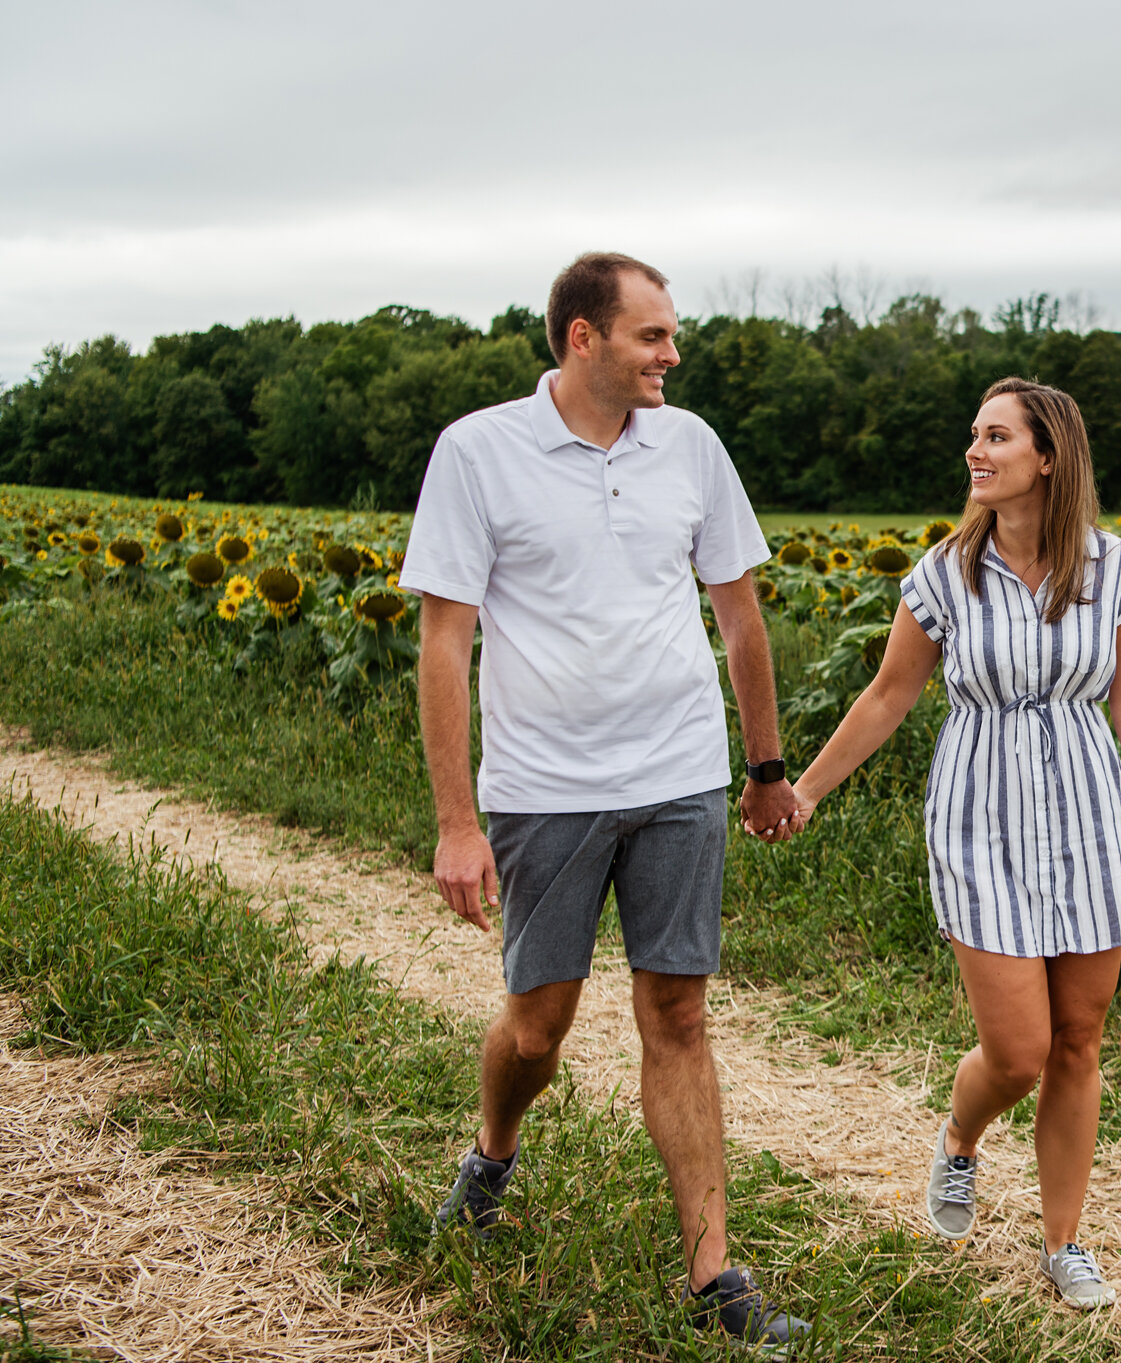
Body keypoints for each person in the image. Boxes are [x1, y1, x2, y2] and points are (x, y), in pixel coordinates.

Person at [399, 251, 809, 1355]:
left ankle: (714, 1272)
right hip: (545, 791)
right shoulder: (479, 452)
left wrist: (765, 766)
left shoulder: (691, 445)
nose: (672, 354)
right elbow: (444, 641)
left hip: (680, 775)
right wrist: (455, 820)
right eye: (651, 336)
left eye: (670, 334)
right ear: (582, 338)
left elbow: (739, 613)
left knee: (678, 1014)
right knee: (539, 1028)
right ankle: (491, 1152)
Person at [787, 376, 1121, 1309]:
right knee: (1017, 1052)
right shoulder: (942, 576)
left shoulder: (1116, 570)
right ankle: (961, 1141)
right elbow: (889, 695)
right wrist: (806, 789)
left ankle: (1063, 1243)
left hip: (1091, 818)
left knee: (1080, 1042)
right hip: (980, 820)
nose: (976, 451)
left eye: (997, 437)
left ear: (1047, 457)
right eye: (974, 436)